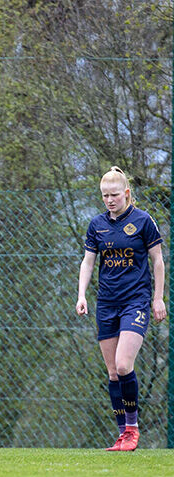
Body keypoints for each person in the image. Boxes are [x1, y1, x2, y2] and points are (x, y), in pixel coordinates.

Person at [76, 166, 165, 452]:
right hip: (107, 304)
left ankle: (133, 428)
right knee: (113, 373)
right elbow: (88, 262)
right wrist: (82, 295)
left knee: (125, 365)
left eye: (115, 194)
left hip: (135, 301)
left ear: (126, 193)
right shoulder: (96, 225)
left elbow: (158, 261)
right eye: (105, 196)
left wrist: (158, 298)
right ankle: (122, 434)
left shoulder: (143, 221)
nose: (110, 200)